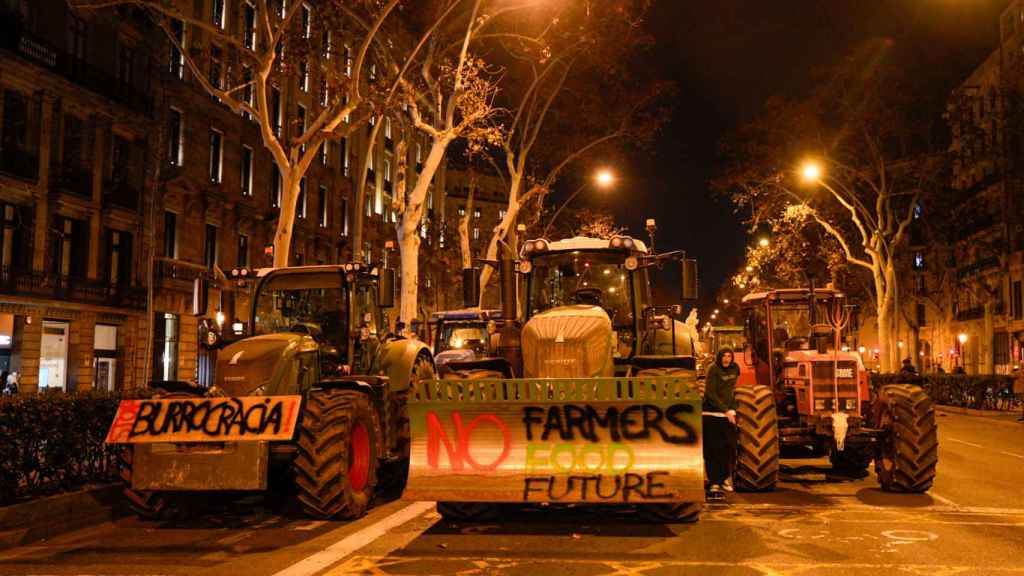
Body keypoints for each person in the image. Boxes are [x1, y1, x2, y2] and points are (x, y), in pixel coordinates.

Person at [703, 347, 739, 497]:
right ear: (719, 357)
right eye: (724, 356)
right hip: (712, 413)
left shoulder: (735, 369)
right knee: (713, 449)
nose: (727, 359)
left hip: (727, 414)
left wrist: (732, 409)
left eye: (729, 356)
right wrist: (725, 410)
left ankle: (724, 478)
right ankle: (714, 482)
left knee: (729, 448)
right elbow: (710, 393)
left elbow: (731, 390)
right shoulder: (713, 369)